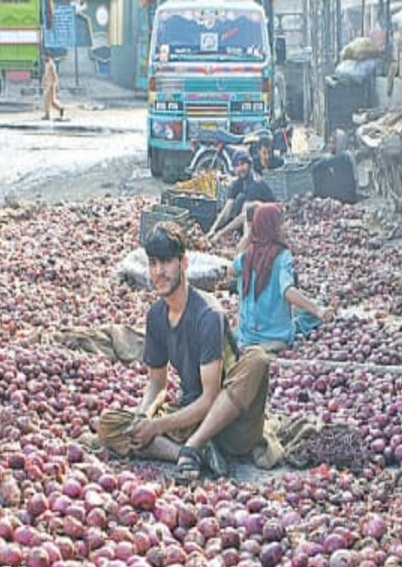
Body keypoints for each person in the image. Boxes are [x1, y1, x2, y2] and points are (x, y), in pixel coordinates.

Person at [97, 222, 273, 485]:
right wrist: (143, 417)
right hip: (189, 412)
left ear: (184, 263)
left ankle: (195, 445)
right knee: (109, 424)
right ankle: (190, 454)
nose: (159, 271)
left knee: (257, 358)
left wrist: (157, 427)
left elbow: (211, 398)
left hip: (230, 421)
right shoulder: (156, 316)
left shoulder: (208, 315)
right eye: (153, 263)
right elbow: (157, 383)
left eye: (167, 262)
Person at [231, 203, 333, 352]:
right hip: (274, 335)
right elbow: (288, 291)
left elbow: (231, 269)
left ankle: (250, 346)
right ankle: (271, 344)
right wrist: (318, 310)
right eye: (281, 223)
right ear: (272, 227)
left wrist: (248, 235)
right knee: (309, 316)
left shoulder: (246, 257)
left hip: (247, 337)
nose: (285, 227)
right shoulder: (281, 256)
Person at [204, 149, 276, 243]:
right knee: (239, 200)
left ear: (249, 164)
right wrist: (212, 229)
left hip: (271, 219)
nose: (240, 168)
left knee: (248, 206)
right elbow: (226, 210)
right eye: (237, 166)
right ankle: (243, 235)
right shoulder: (238, 183)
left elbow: (245, 215)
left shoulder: (255, 183)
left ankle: (249, 239)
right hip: (253, 215)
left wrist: (220, 234)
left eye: (243, 164)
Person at [41, 52, 65, 121]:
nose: (43, 58)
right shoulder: (47, 64)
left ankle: (49, 114)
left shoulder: (51, 64)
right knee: (51, 101)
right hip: (49, 84)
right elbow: (46, 74)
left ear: (48, 56)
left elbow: (54, 75)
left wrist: (54, 84)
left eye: (44, 56)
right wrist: (43, 81)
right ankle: (59, 109)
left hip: (51, 85)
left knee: (48, 101)